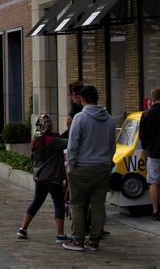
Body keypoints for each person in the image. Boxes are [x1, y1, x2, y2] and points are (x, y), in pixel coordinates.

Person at [62, 85, 116, 253]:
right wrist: (108, 161)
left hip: (82, 167)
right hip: (103, 167)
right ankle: (94, 241)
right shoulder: (108, 119)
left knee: (77, 204)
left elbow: (73, 146)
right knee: (98, 204)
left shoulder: (80, 118)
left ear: (82, 99)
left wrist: (70, 167)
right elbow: (112, 145)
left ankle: (78, 240)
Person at [17, 114, 69, 242]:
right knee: (59, 203)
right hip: (53, 177)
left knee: (37, 202)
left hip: (40, 177)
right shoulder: (53, 141)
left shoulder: (36, 141)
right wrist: (71, 128)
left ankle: (23, 229)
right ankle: (60, 234)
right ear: (49, 126)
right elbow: (69, 142)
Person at [138, 87, 160, 221]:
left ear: (152, 99)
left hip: (153, 152)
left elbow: (142, 135)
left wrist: (147, 148)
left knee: (154, 182)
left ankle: (155, 210)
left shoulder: (146, 114)